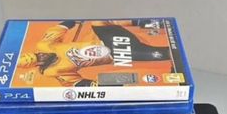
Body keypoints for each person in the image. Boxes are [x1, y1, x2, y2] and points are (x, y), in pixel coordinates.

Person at [17, 20, 170, 87]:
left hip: (105, 39)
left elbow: (61, 27)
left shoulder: (45, 44)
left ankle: (149, 22)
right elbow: (77, 83)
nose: (42, 56)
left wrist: (71, 22)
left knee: (98, 21)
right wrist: (101, 85)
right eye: (39, 60)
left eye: (38, 54)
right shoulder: (52, 71)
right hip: (118, 53)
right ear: (37, 65)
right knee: (159, 54)